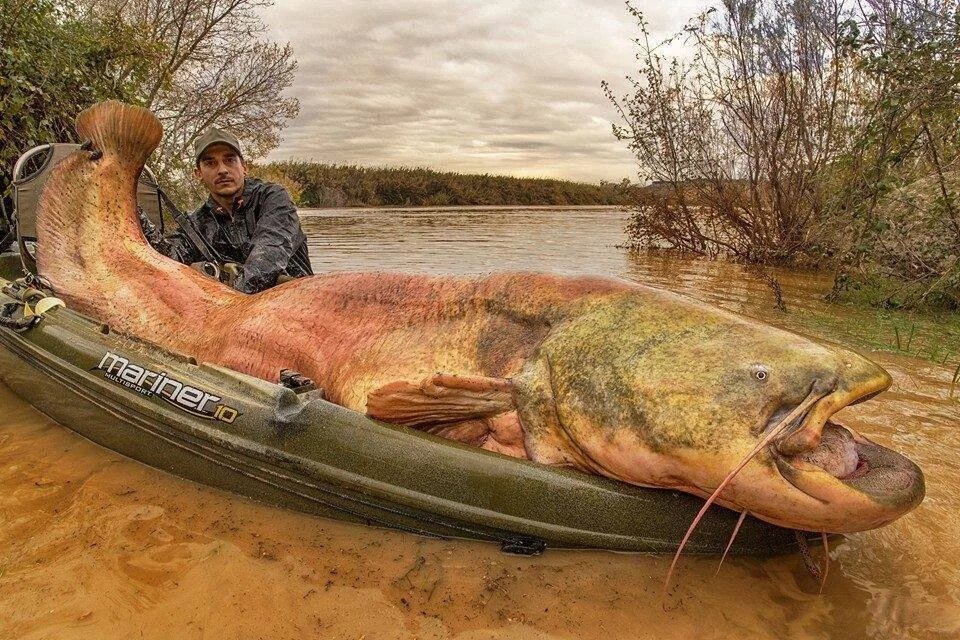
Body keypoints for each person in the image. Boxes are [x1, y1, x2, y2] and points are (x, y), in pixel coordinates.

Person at [142, 127, 313, 294]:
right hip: (237, 313)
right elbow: (166, 257)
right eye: (211, 163)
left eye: (229, 160)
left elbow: (270, 253)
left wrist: (234, 302)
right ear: (198, 173)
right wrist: (137, 216)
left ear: (244, 167)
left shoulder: (273, 198)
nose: (222, 170)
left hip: (297, 303)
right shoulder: (195, 224)